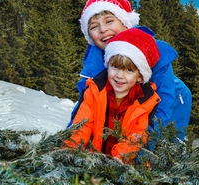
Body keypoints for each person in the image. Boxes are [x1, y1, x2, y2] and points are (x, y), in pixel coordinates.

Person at [69, 0, 191, 139]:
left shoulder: (152, 51)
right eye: (94, 27)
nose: (103, 30)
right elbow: (85, 105)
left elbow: (163, 105)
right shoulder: (95, 61)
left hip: (169, 106)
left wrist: (141, 151)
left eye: (109, 21)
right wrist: (71, 137)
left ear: (125, 23)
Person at [65, 28, 161, 163]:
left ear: (140, 76)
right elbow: (81, 125)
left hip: (124, 165)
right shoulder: (94, 91)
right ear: (108, 65)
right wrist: (69, 150)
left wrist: (117, 161)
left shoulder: (144, 101)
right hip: (93, 159)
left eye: (129, 70)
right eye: (115, 67)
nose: (119, 76)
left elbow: (136, 136)